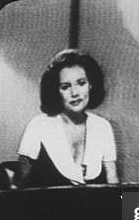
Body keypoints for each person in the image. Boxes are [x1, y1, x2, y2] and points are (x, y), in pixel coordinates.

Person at [16, 49, 119, 188]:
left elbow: (112, 181)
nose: (75, 93)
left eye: (81, 83)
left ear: (90, 85)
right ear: (56, 91)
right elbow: (20, 188)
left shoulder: (102, 126)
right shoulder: (39, 125)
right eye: (65, 87)